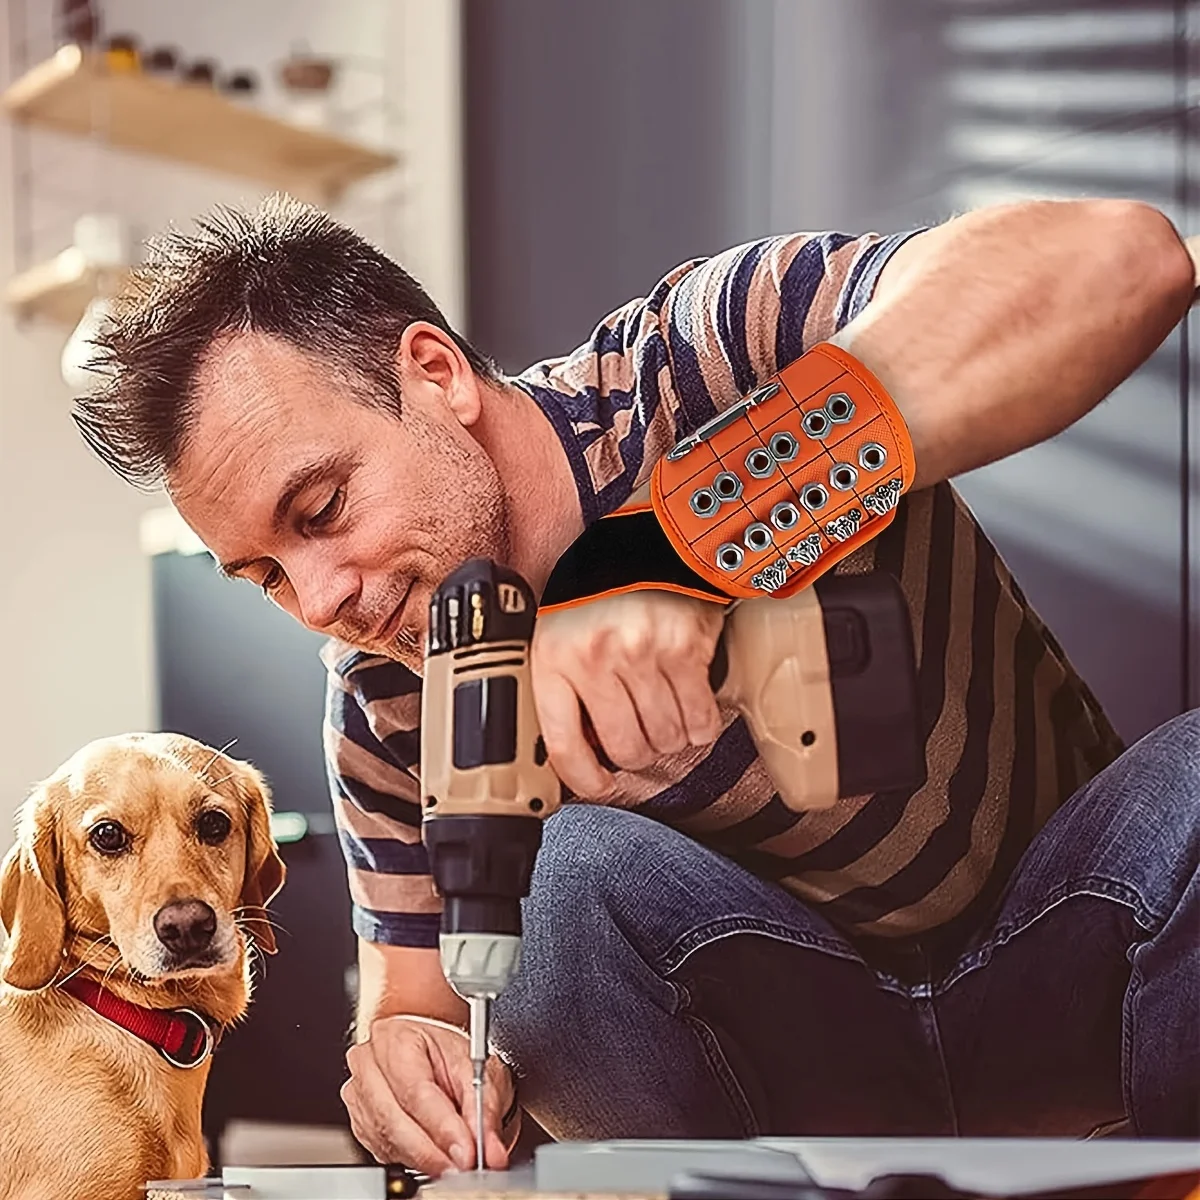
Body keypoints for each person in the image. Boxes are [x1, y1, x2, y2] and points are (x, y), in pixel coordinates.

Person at [74, 195, 1199, 1177]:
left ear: (435, 373)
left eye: (320, 511)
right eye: (266, 572)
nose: (320, 600)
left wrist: (679, 548)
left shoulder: (703, 356)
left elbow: (1125, 261)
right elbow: (414, 993)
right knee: (561, 884)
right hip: (803, 1086)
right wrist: (399, 1061)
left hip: (1076, 970)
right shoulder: (384, 693)